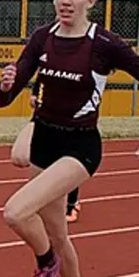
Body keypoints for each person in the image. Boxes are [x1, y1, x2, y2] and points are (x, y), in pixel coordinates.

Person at [0, 0, 139, 277]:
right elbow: (7, 98)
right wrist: (6, 84)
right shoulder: (42, 38)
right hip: (44, 140)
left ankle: (46, 264)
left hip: (80, 147)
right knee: (58, 233)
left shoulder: (104, 44)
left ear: (91, 0)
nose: (66, 2)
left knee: (15, 213)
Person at [10, 76, 84, 223]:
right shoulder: (47, 67)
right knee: (20, 157)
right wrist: (35, 97)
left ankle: (71, 203)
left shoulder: (78, 72)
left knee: (65, 159)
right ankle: (45, 199)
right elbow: (37, 89)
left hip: (68, 124)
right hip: (42, 120)